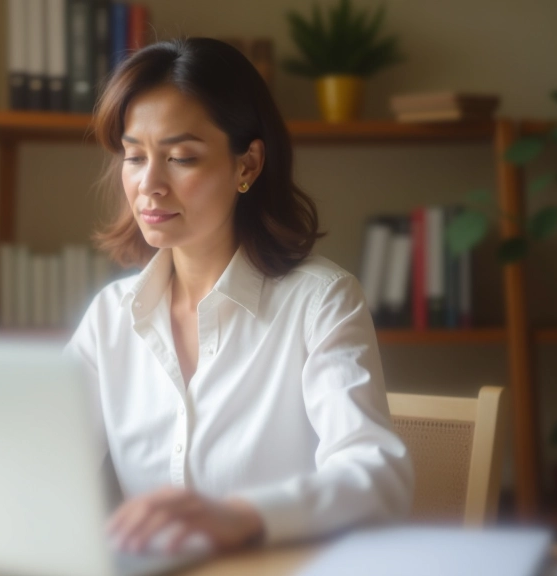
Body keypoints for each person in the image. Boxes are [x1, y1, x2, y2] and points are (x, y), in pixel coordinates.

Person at [63, 37, 414, 555]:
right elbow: (42, 462)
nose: (149, 184)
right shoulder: (111, 317)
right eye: (135, 156)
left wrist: (242, 516)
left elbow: (378, 475)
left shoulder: (319, 302)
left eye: (181, 157)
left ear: (247, 165)